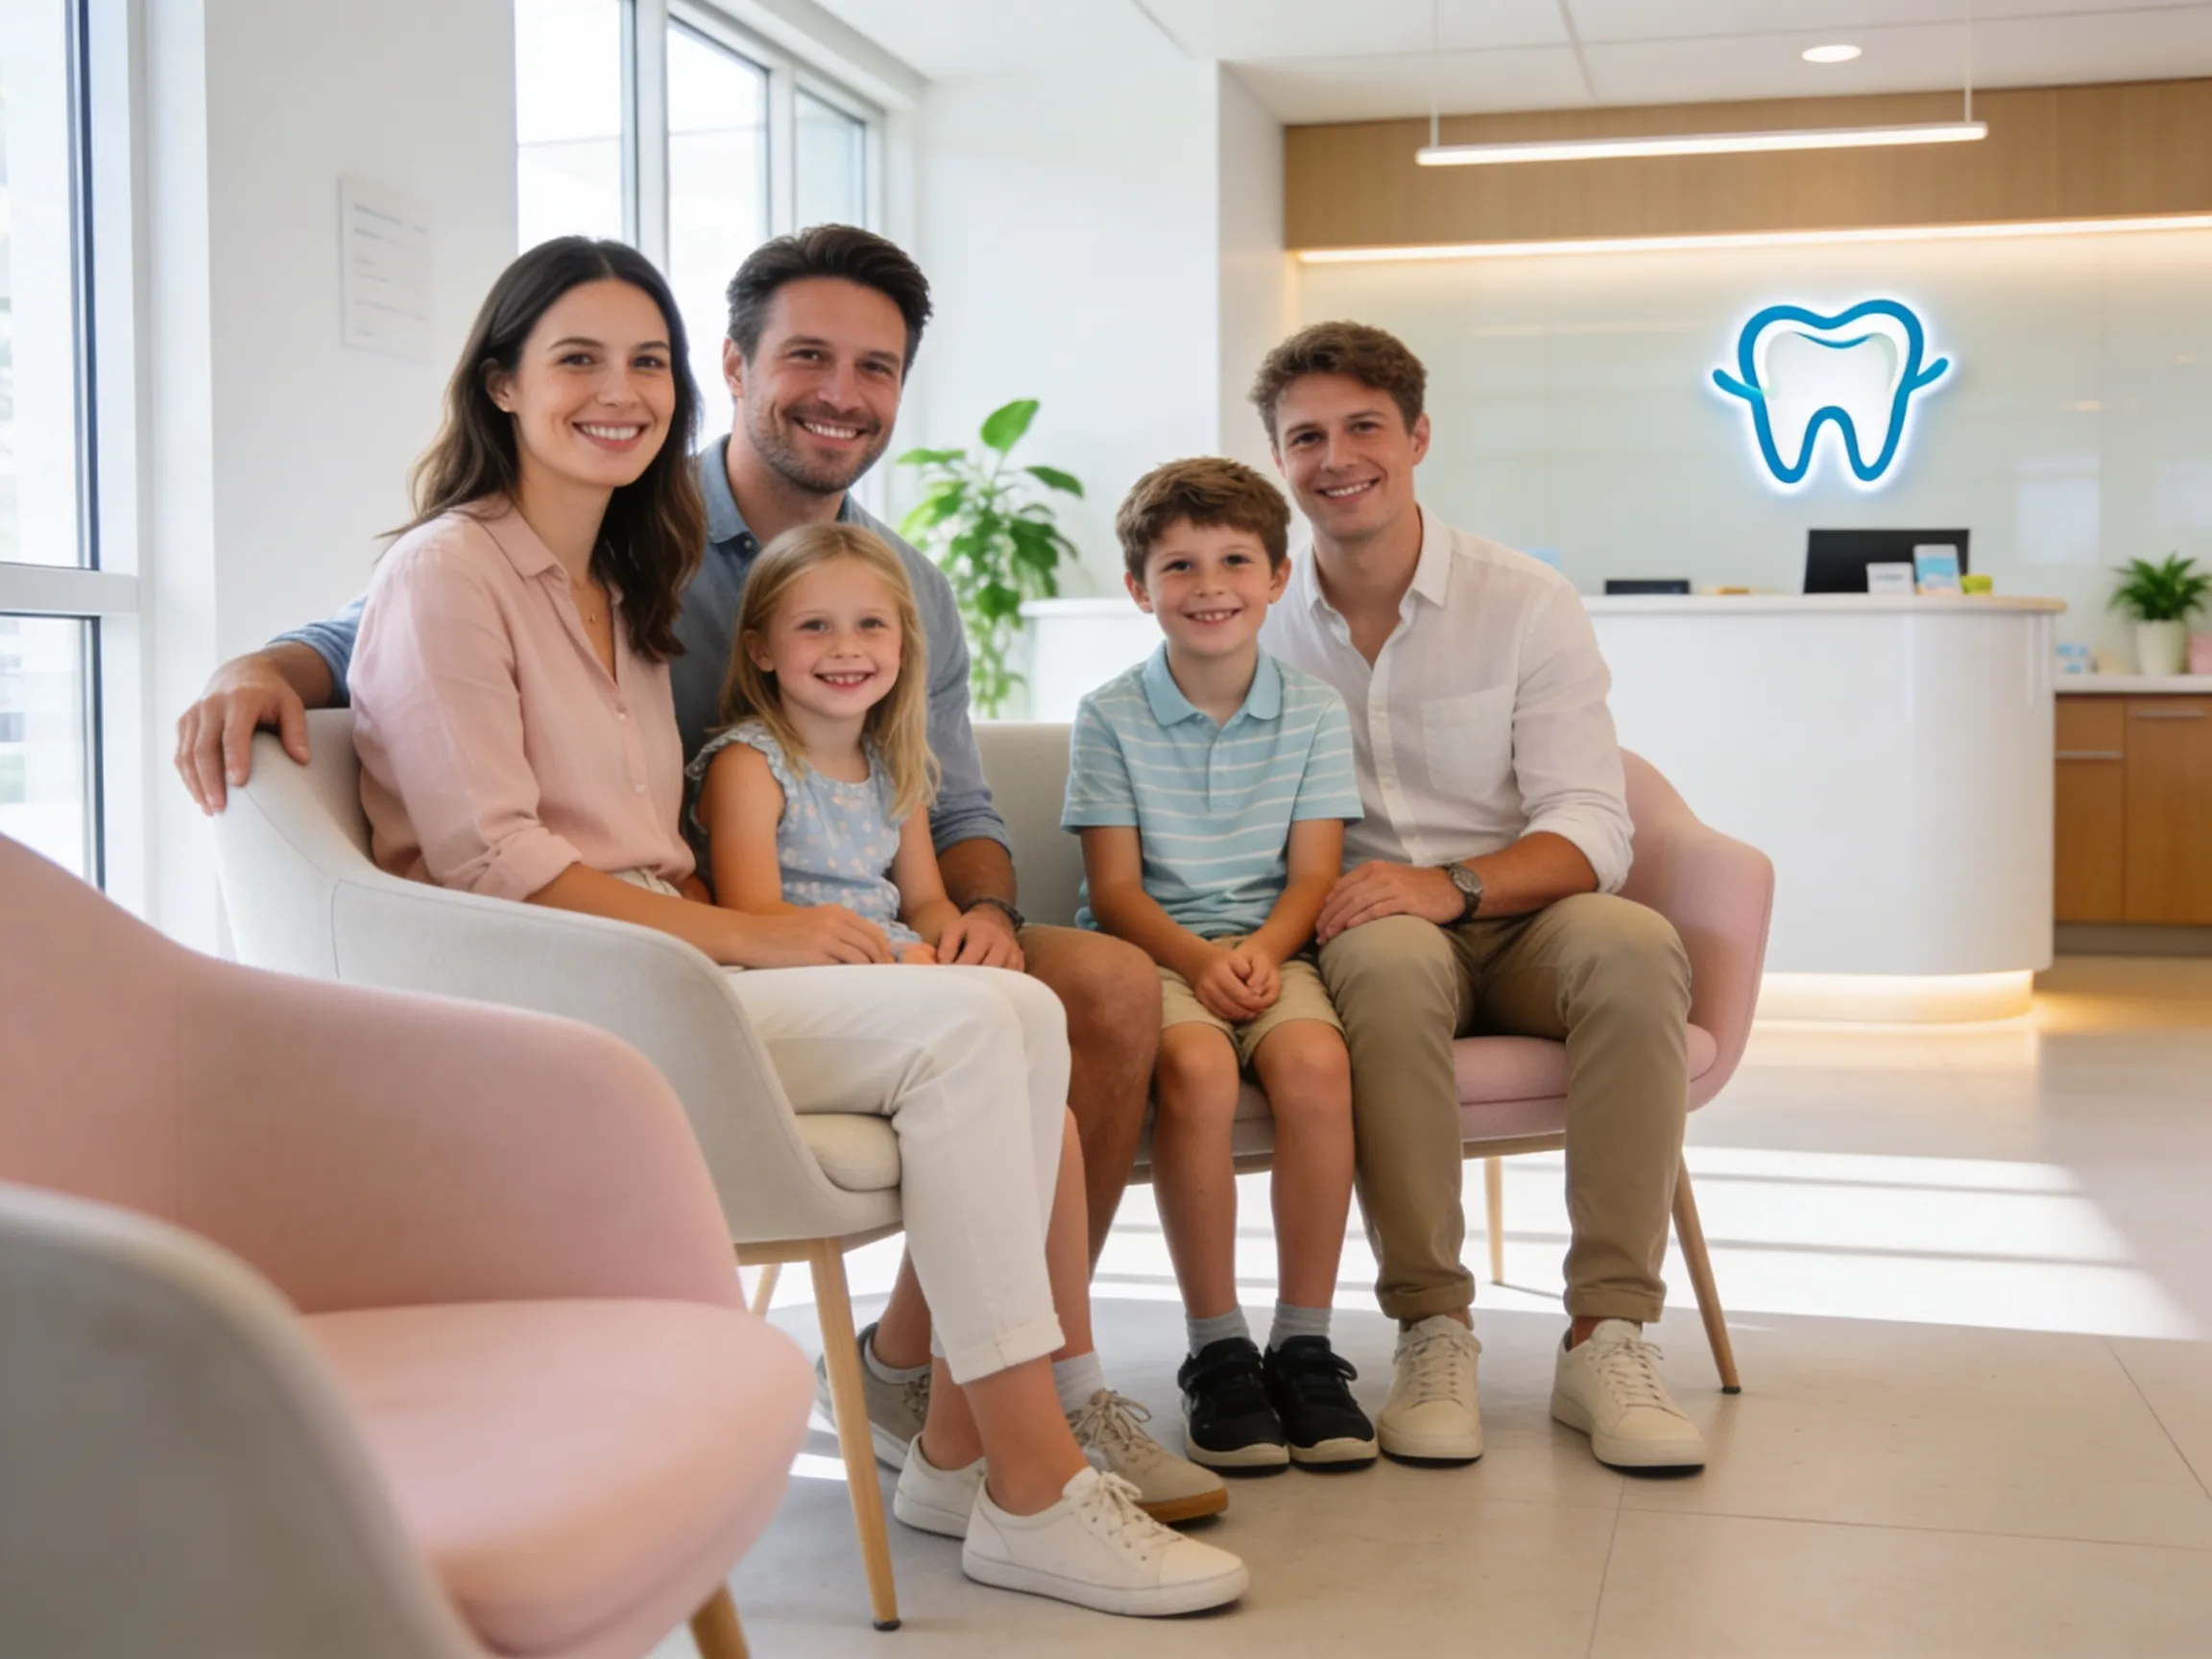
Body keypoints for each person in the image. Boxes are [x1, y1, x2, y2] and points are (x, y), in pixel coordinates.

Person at [343, 235, 1245, 1615]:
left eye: (639, 361)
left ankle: (958, 1444)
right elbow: (489, 855)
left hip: (666, 952)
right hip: (572, 984)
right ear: (501, 385)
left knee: (1025, 1026)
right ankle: (1031, 1481)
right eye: (577, 357)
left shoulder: (618, 578)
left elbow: (914, 802)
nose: (619, 389)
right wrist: (751, 934)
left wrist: (957, 913)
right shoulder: (452, 570)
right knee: (975, 1035)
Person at [171, 225, 1160, 1471]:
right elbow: (389, 639)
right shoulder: (632, 524)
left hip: (767, 930)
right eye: (808, 356)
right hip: (664, 947)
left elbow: (948, 799)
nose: (843, 394)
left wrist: (984, 913)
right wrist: (256, 664)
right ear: (739, 373)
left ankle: (975, 1392)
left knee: (1080, 995)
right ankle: (1016, 1458)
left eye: (878, 368)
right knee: (995, 1028)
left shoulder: (663, 564)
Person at [688, 517, 1225, 1526]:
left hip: (897, 975)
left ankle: (1037, 1387)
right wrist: (908, 964)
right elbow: (757, 915)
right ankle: (989, 1431)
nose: (848, 650)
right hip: (806, 977)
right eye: (815, 628)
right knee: (1008, 1036)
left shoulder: (896, 766)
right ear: (761, 647)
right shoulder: (748, 764)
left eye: (871, 627)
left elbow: (925, 900)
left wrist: (957, 939)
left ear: (905, 646)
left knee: (1052, 1117)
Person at [1251, 321, 1709, 1472]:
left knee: (1636, 946)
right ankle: (1432, 1328)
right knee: (1393, 960)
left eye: (1363, 425)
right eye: (1305, 436)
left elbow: (1593, 827)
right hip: (1365, 924)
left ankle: (1608, 1335)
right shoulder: (1250, 619)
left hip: (1523, 908)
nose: (1336, 455)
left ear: (1417, 436)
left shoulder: (1525, 600)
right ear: (1279, 459)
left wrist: (1448, 884)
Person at [1064, 458, 1375, 1473]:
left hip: (1274, 946)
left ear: (1278, 578)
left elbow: (1315, 872)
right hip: (1155, 950)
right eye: (1180, 565)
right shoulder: (1108, 715)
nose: (1209, 585)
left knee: (1318, 1070)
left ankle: (1306, 1341)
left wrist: (1261, 955)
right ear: (1138, 590)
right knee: (1197, 1071)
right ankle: (1218, 1350)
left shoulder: (1316, 712)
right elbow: (1114, 891)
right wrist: (1201, 961)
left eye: (1236, 560)